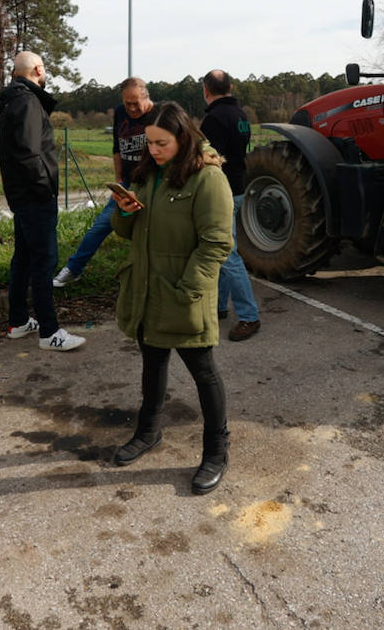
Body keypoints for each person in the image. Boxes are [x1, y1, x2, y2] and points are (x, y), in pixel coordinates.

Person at [109, 102, 234, 494]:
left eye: (162, 143)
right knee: (152, 363)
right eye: (149, 143)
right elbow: (127, 234)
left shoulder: (207, 179)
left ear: (183, 138)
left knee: (203, 371)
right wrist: (125, 211)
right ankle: (148, 432)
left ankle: (216, 452)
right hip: (147, 291)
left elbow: (217, 243)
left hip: (183, 294)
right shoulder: (149, 174)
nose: (154, 150)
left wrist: (188, 290)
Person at [0, 51, 86, 350]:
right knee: (44, 260)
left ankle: (19, 321)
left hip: (21, 194)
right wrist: (45, 187)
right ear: (38, 69)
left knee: (23, 257)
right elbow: (29, 152)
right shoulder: (28, 101)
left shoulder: (13, 100)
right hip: (34, 195)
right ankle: (50, 332)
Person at [53, 77, 156, 287]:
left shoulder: (160, 114)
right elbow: (117, 147)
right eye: (128, 103)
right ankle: (74, 269)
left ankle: (151, 276)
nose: (132, 108)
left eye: (136, 103)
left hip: (153, 185)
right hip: (128, 184)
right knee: (101, 225)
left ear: (146, 97)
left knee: (152, 231)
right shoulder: (120, 112)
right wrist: (119, 178)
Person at [200, 69, 261, 341]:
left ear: (206, 90)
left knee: (228, 253)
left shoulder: (213, 119)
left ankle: (249, 317)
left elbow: (210, 161)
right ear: (231, 87)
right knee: (224, 249)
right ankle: (218, 306)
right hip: (239, 188)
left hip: (222, 192)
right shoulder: (241, 116)